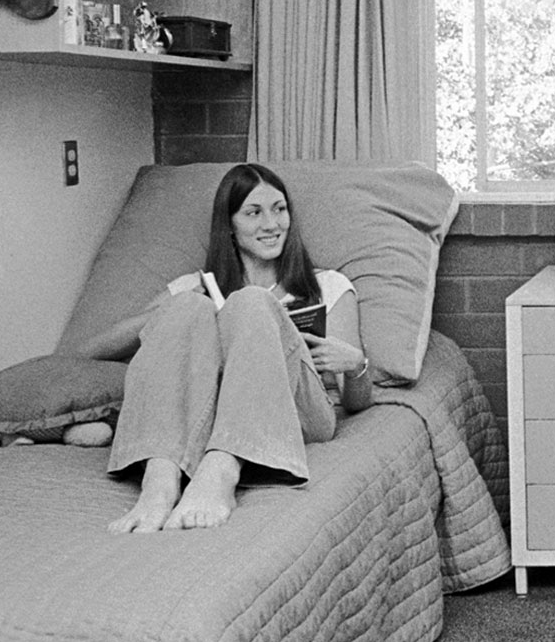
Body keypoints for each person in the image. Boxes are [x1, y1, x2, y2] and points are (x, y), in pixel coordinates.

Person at [77, 163, 373, 534]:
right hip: (213, 410)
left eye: (279, 209)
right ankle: (161, 476)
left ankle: (222, 469)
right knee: (187, 307)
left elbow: (356, 402)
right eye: (254, 212)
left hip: (299, 413)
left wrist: (357, 364)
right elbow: (92, 348)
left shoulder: (328, 286)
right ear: (229, 226)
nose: (271, 223)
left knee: (250, 302)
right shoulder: (196, 286)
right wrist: (177, 306)